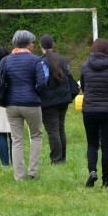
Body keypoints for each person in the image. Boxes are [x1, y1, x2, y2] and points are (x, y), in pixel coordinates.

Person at [0, 30, 46, 181]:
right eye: (33, 42)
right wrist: (35, 93)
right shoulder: (35, 60)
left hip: (11, 104)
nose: (34, 45)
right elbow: (42, 83)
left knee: (17, 140)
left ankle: (19, 177)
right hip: (31, 103)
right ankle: (32, 172)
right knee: (36, 136)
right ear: (28, 44)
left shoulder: (5, 60)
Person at [80, 38, 108, 188]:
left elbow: (83, 87)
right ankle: (106, 181)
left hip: (90, 110)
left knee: (92, 144)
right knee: (106, 147)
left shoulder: (85, 66)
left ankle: (92, 171)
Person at [39, 34, 74, 164]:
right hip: (63, 99)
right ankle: (62, 158)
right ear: (53, 44)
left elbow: (42, 82)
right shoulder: (62, 59)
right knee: (60, 128)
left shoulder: (43, 61)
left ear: (40, 45)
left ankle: (56, 159)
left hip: (49, 102)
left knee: (53, 130)